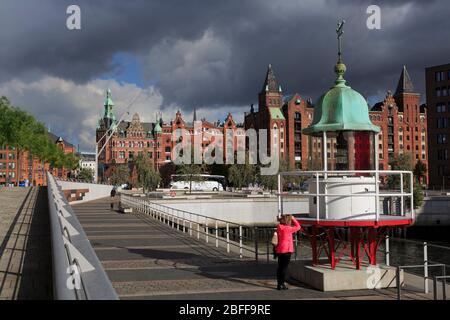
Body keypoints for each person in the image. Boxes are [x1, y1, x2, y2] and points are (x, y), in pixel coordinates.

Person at [275, 214, 301, 290]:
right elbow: (298, 227)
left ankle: (279, 284)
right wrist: (294, 219)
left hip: (280, 249)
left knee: (280, 267)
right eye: (290, 220)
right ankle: (282, 284)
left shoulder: (279, 227)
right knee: (284, 268)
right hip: (287, 250)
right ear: (288, 221)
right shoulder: (288, 228)